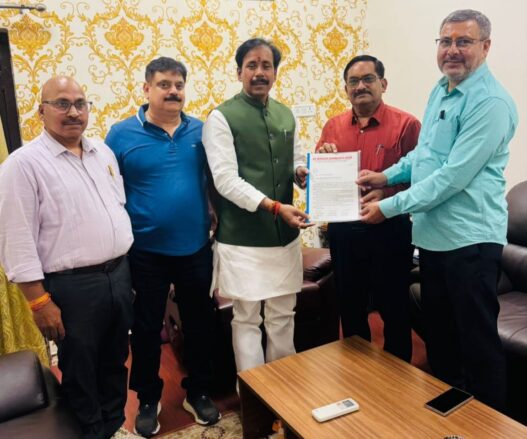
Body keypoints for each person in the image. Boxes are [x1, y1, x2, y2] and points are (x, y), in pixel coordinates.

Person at [358, 9, 518, 410]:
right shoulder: (441, 89)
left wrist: (389, 206)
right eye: (445, 41)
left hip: (470, 241)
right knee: (442, 336)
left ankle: (490, 425)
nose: (452, 50)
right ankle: (452, 415)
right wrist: (384, 175)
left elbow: (452, 177)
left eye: (463, 41)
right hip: (432, 238)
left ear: (485, 46)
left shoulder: (491, 103)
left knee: (477, 344)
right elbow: (425, 155)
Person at [0, 76, 136, 439]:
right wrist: (38, 302)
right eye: (62, 103)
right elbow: (16, 240)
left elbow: (116, 207)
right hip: (72, 287)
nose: (73, 112)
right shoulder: (23, 165)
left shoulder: (102, 153)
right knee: (80, 367)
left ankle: (113, 426)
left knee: (115, 359)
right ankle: (89, 432)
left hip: (118, 275)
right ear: (41, 111)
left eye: (80, 103)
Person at [105, 57, 220, 436]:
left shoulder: (201, 131)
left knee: (200, 324)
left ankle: (198, 391)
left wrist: (216, 213)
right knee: (145, 328)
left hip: (195, 248)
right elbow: (108, 190)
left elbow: (217, 178)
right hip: (145, 252)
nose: (173, 91)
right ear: (146, 89)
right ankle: (148, 398)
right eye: (164, 84)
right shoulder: (120, 135)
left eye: (178, 85)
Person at [202, 38, 311, 375]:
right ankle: (254, 394)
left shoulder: (285, 114)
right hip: (242, 239)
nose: (259, 72)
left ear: (275, 72)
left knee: (283, 316)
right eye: (252, 65)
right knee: (247, 319)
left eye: (267, 65)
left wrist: (302, 173)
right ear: (239, 72)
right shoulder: (221, 118)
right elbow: (225, 180)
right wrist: (275, 207)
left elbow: (294, 160)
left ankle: (284, 390)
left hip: (284, 238)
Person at [316, 55, 420, 361]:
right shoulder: (333, 126)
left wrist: (385, 194)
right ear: (346, 89)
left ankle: (398, 370)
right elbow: (319, 177)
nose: (360, 86)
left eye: (368, 79)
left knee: (394, 305)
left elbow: (422, 178)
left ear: (383, 84)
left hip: (390, 228)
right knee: (350, 304)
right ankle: (357, 369)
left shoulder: (407, 125)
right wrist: (322, 159)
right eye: (353, 81)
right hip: (344, 230)